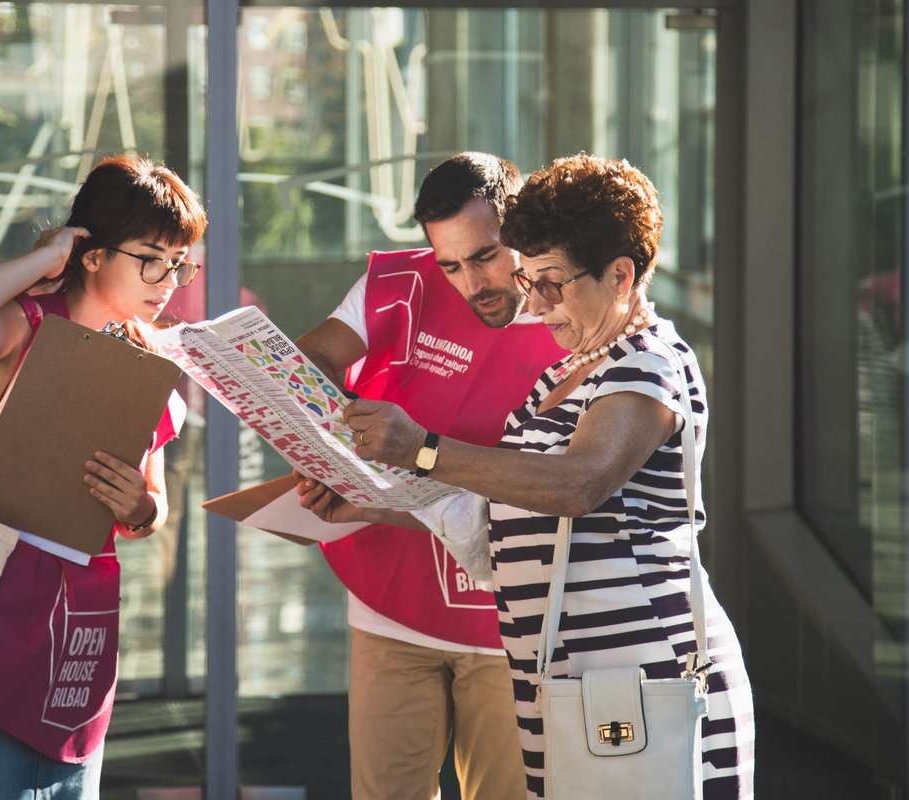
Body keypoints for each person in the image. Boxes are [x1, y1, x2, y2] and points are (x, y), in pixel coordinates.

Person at [299, 153, 755, 799]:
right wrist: (375, 506)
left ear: (621, 275)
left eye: (552, 283)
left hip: (644, 681)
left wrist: (422, 449)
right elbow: (499, 522)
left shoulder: (650, 363)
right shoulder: (562, 375)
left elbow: (578, 485)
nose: (535, 305)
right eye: (530, 280)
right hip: (567, 685)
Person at [0, 154, 207, 799]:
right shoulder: (28, 324)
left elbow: (147, 507)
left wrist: (141, 509)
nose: (170, 280)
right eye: (152, 258)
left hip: (78, 623)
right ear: (93, 255)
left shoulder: (149, 358)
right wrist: (43, 262)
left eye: (181, 262)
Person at [295, 152, 565, 800]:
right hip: (393, 598)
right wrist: (335, 456)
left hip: (512, 613)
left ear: (522, 225)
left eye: (485, 256)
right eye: (449, 263)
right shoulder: (399, 284)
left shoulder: (572, 313)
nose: (472, 282)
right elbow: (311, 362)